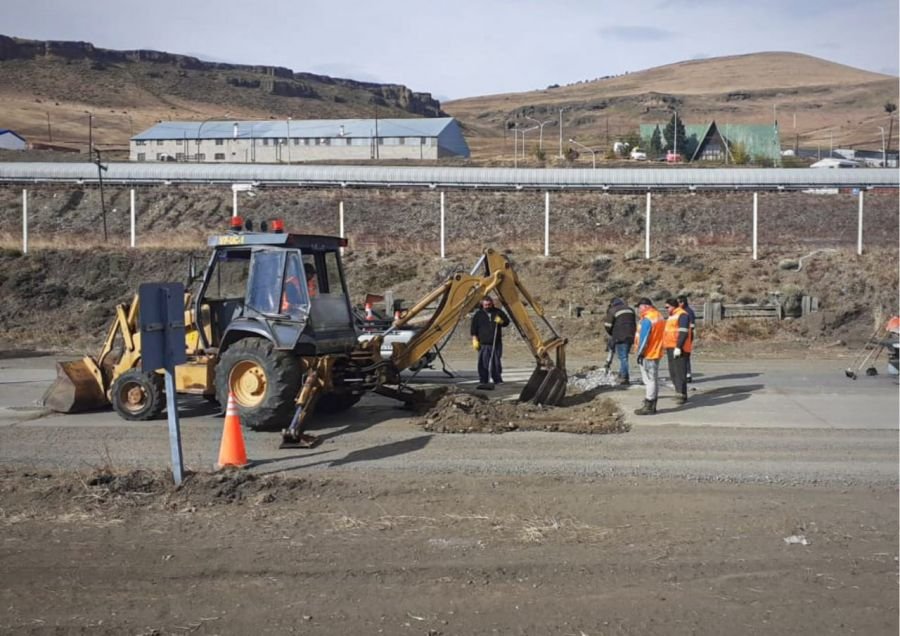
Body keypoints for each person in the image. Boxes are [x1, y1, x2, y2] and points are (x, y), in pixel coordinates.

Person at [633, 297, 666, 415]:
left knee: (649, 380)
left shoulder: (647, 319)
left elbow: (644, 338)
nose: (639, 310)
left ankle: (649, 404)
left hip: (649, 353)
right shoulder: (659, 316)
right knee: (653, 379)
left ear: (645, 306)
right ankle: (652, 403)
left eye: (640, 307)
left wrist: (640, 353)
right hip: (657, 351)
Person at [470, 296, 510, 385]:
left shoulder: (498, 312)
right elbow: (473, 328)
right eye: (485, 305)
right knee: (483, 363)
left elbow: (506, 322)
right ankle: (483, 380)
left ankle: (497, 379)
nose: (487, 306)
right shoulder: (478, 315)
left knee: (496, 362)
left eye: (489, 304)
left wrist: (501, 321)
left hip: (496, 342)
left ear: (492, 303)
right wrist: (474, 339)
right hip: (483, 343)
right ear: (482, 304)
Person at [663, 297, 693, 405]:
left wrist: (678, 347)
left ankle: (681, 394)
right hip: (670, 347)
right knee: (673, 372)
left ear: (673, 306)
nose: (666, 309)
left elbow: (683, 332)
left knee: (680, 372)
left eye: (667, 307)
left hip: (679, 348)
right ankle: (678, 392)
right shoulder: (672, 316)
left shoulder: (682, 315)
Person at [604, 297, 637, 385]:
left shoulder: (613, 310)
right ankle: (622, 373)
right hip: (631, 335)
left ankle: (624, 377)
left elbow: (607, 325)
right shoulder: (630, 309)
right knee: (624, 356)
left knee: (623, 357)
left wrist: (612, 333)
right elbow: (634, 323)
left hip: (619, 336)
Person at [677, 294, 696, 382]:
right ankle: (683, 373)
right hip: (681, 335)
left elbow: (692, 325)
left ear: (683, 302)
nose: (678, 304)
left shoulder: (688, 312)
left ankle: (687, 374)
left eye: (679, 302)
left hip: (687, 336)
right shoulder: (679, 311)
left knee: (686, 355)